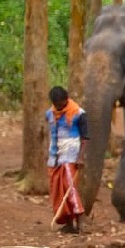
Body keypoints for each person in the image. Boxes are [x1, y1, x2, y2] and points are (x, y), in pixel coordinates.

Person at [45, 86, 88, 235]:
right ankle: (68, 223)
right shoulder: (49, 114)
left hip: (70, 156)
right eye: (55, 104)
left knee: (70, 188)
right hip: (54, 157)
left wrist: (81, 157)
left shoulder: (78, 113)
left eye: (60, 103)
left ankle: (80, 219)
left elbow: (85, 138)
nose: (58, 106)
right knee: (57, 190)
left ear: (65, 100)